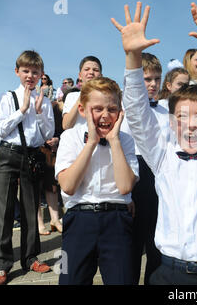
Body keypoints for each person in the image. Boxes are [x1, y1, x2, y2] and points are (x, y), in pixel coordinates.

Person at [113, 0, 197, 285]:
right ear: (170, 121)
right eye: (182, 116)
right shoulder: (161, 156)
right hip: (169, 275)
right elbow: (138, 112)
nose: (190, 124)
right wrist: (132, 57)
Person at [55, 77, 139, 285]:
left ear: (120, 113)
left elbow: (125, 186)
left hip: (117, 219)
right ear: (82, 110)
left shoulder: (126, 140)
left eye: (112, 109)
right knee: (69, 280)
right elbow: (68, 185)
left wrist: (114, 141)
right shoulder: (70, 137)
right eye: (98, 109)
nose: (105, 115)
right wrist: (91, 142)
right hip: (78, 220)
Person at [0, 50, 55, 285]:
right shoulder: (8, 97)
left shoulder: (44, 101)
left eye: (35, 72)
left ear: (41, 75)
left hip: (32, 156)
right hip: (9, 154)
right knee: (4, 210)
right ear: (17, 71)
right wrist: (23, 110)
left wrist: (38, 113)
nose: (30, 75)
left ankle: (30, 257)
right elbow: (1, 129)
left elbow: (48, 134)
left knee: (30, 209)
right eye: (26, 70)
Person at [121, 52, 166, 285]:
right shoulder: (124, 110)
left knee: (156, 241)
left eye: (157, 79)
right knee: (132, 244)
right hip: (133, 173)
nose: (153, 84)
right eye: (147, 79)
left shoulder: (166, 111)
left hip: (157, 175)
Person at [37, 95, 64, 235]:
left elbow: (62, 129)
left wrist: (57, 139)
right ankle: (39, 223)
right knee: (35, 187)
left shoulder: (55, 108)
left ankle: (55, 219)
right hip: (34, 149)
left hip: (50, 151)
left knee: (52, 186)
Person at [62, 56, 103, 130]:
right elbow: (66, 126)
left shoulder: (106, 97)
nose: (91, 72)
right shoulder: (71, 96)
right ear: (80, 75)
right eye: (86, 69)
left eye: (96, 70)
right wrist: (82, 96)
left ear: (101, 76)